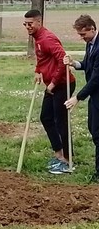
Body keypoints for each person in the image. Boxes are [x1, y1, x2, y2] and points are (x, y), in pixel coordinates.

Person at [23, 9, 76, 174]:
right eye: (25, 24)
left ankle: (68, 160)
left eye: (30, 24)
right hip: (52, 84)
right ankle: (59, 154)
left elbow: (63, 60)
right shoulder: (37, 38)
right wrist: (38, 70)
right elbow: (42, 57)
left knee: (61, 122)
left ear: (39, 22)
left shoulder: (48, 38)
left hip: (63, 84)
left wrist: (52, 83)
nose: (27, 27)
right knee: (46, 117)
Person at [64, 15, 99, 182]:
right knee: (94, 130)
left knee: (98, 133)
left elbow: (97, 78)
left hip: (97, 94)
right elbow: (87, 64)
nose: (81, 37)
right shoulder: (90, 44)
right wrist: (74, 63)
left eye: (83, 34)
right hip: (95, 97)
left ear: (92, 28)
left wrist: (77, 97)